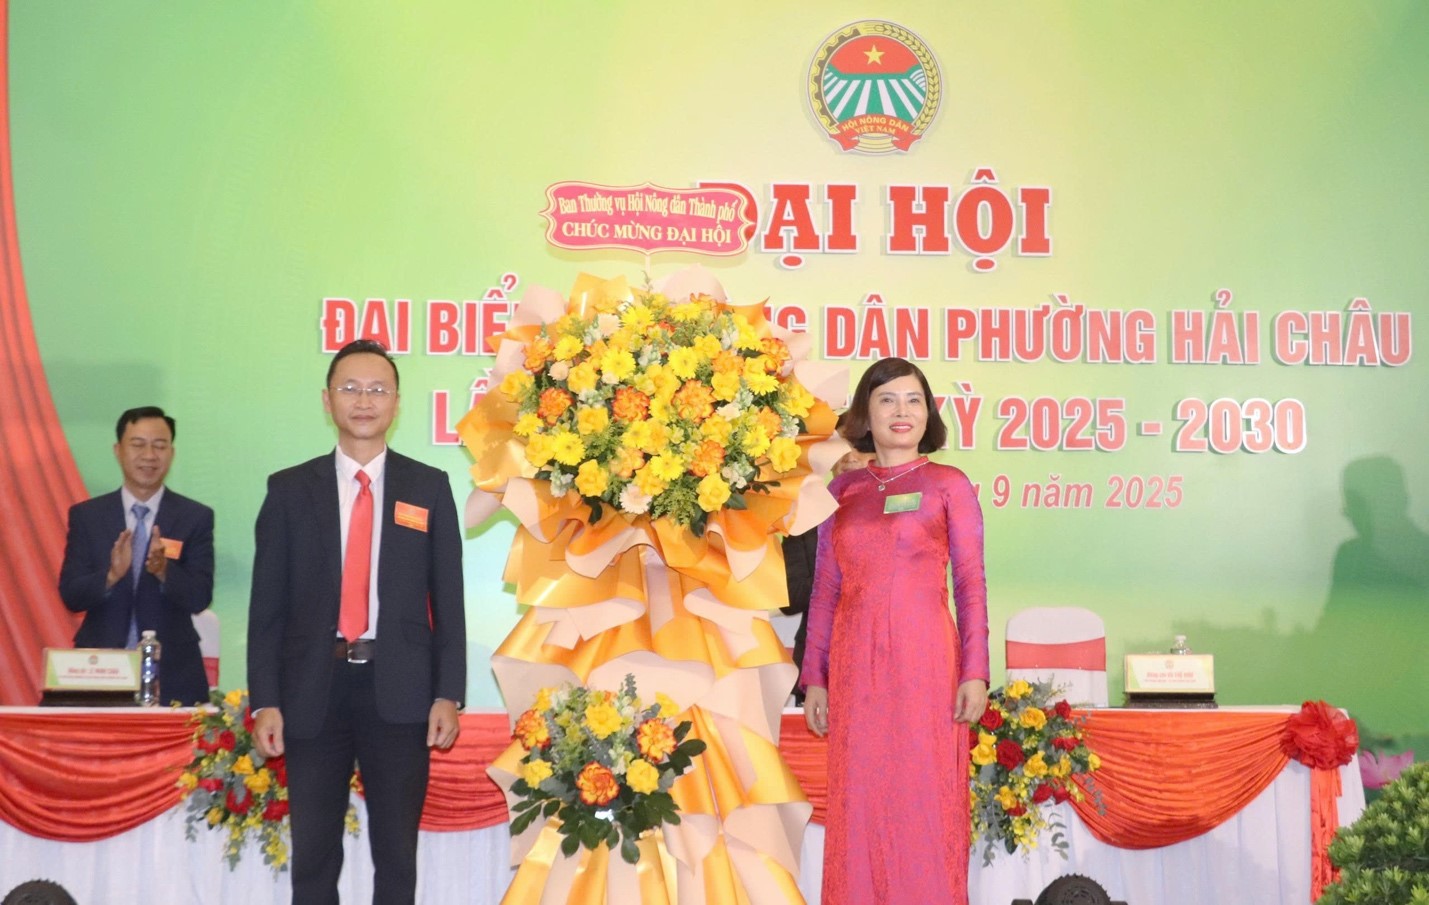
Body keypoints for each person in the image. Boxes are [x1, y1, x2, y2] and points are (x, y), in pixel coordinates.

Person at [247, 339, 465, 905]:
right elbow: (266, 609)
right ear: (327, 400)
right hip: (312, 691)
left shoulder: (428, 487)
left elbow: (449, 601)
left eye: (377, 390)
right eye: (350, 388)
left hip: (400, 692)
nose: (363, 401)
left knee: (396, 856)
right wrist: (265, 699)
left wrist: (448, 693)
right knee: (314, 856)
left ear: (396, 402)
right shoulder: (289, 490)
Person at [800, 357, 989, 905]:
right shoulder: (842, 492)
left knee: (922, 798)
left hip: (925, 662)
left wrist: (975, 672)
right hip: (854, 667)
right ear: (866, 413)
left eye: (913, 400)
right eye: (887, 399)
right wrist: (815, 677)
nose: (901, 411)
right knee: (858, 799)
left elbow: (970, 583)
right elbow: (824, 590)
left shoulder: (948, 485)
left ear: (928, 413)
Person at [58, 406, 214, 706]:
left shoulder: (194, 517)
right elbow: (71, 595)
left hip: (174, 674)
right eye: (138, 444)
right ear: (118, 450)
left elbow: (200, 597)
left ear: (171, 453)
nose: (149, 455)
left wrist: (164, 571)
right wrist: (111, 576)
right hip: (99, 672)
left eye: (160, 446)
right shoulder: (88, 516)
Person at [780, 447, 873, 703]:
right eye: (840, 449)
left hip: (885, 664)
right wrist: (837, 571)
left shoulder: (900, 514)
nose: (850, 457)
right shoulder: (804, 520)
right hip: (818, 672)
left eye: (859, 448)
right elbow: (789, 598)